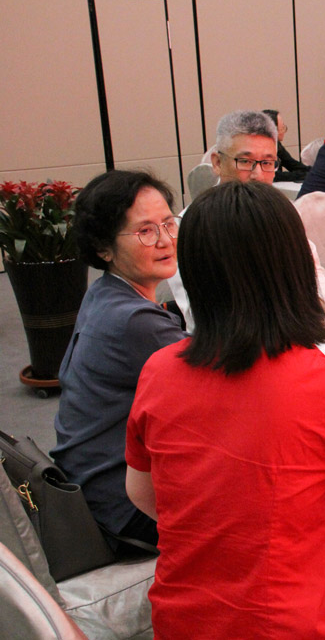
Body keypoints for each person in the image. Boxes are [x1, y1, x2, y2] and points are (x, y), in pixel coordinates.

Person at [124, 180, 325, 639]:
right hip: (290, 626)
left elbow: (142, 493)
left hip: (182, 623)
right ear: (296, 267)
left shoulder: (159, 369)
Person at [51, 170, 187, 554]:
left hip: (91, 483)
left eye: (168, 223)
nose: (165, 240)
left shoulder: (104, 293)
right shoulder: (133, 321)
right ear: (104, 248)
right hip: (125, 509)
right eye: (145, 231)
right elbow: (224, 384)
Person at [168, 110, 325, 330]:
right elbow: (198, 314)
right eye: (245, 161)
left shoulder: (282, 213)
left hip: (292, 332)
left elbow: (315, 275)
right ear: (217, 162)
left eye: (267, 163)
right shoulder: (192, 224)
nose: (258, 175)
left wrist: (312, 304)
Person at [262, 108, 309, 182]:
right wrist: (302, 175)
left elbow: (292, 164)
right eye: (282, 128)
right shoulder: (259, 148)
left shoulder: (277, 145)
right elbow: (273, 175)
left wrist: (316, 172)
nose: (284, 131)